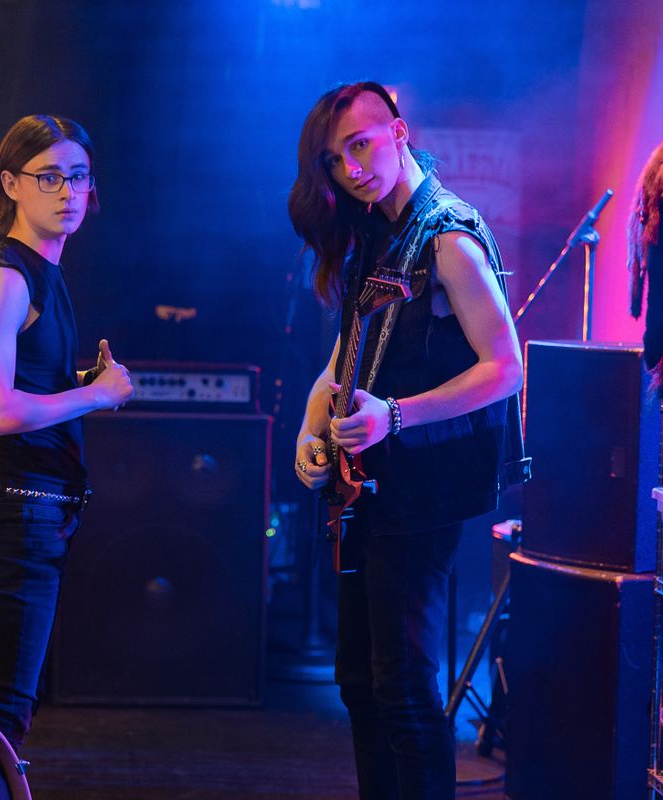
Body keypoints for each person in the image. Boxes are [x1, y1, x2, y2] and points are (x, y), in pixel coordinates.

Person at [287, 82, 523, 798]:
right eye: (335, 160)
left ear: (399, 132)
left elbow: (506, 367)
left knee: (405, 689)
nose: (351, 168)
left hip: (424, 489)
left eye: (361, 146)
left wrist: (395, 416)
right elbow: (344, 354)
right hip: (368, 487)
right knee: (359, 681)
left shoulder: (446, 235)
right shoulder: (375, 231)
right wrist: (309, 424)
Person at [0, 114, 134, 751]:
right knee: (0, 719)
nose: (68, 193)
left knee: (6, 716)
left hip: (39, 513)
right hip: (19, 514)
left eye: (79, 178)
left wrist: (77, 378)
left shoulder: (43, 271)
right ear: (10, 182)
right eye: (50, 177)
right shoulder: (7, 277)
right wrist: (96, 394)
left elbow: (26, 381)